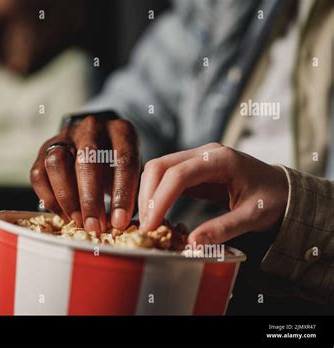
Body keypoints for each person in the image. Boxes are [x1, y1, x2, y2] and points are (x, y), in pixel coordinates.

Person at [30, 0, 334, 304]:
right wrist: (96, 138)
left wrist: (298, 207)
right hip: (160, 271)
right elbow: (141, 102)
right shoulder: (218, 8)